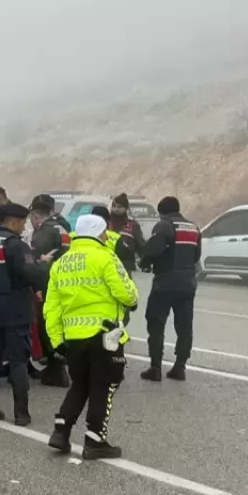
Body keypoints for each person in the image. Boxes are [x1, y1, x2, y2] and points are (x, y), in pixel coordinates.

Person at [44, 214, 140, 459]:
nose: (107, 236)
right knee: (103, 386)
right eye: (104, 232)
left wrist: (57, 340)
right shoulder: (106, 257)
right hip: (104, 336)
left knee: (80, 385)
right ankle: (95, 440)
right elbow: (126, 293)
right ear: (99, 233)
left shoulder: (61, 263)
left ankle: (60, 432)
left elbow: (51, 307)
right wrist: (133, 298)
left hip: (73, 337)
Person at [0, 203, 48, 425]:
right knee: (18, 360)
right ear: (14, 222)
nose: (23, 226)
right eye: (23, 223)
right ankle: (21, 413)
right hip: (15, 309)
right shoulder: (15, 244)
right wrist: (43, 267)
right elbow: (29, 273)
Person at [138, 196, 201, 381]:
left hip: (165, 282)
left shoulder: (165, 225)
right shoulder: (194, 227)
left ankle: (155, 368)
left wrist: (145, 262)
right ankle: (180, 367)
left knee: (156, 323)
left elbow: (152, 249)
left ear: (162, 212)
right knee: (184, 326)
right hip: (188, 284)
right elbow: (197, 255)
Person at [27, 198, 71, 387]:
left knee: (46, 327)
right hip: (65, 282)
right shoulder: (62, 228)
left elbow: (40, 264)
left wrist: (37, 287)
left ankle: (57, 368)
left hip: (49, 285)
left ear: (36, 216)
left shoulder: (43, 233)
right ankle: (58, 366)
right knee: (58, 325)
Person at [107, 193, 146, 276]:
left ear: (125, 208)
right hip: (107, 262)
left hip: (126, 264)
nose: (116, 209)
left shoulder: (132, 225)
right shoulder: (106, 223)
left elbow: (140, 244)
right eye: (114, 206)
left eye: (119, 207)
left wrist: (145, 261)